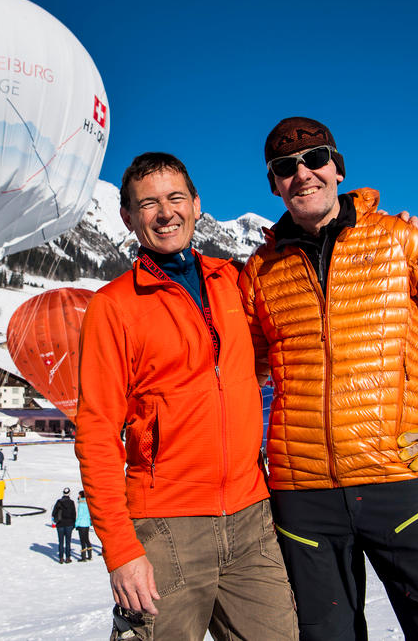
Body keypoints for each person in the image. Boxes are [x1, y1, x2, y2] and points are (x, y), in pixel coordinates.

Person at [238, 117, 418, 640]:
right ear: (274, 184)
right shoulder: (260, 269)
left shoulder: (400, 240)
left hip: (401, 478)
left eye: (315, 158)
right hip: (303, 497)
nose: (302, 174)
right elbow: (245, 374)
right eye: (284, 167)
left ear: (337, 168)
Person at [76, 153, 297, 640]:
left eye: (176, 198)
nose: (165, 213)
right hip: (165, 528)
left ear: (197, 205)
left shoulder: (236, 280)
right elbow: (95, 434)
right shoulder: (112, 306)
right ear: (128, 218)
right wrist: (121, 550)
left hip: (252, 518)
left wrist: (369, 230)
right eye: (148, 204)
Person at [51, 487, 76, 564]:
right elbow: (74, 514)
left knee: (61, 542)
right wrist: (73, 523)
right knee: (68, 542)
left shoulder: (58, 502)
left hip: (60, 524)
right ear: (69, 493)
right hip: (69, 524)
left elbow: (53, 513)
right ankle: (68, 557)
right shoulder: (71, 502)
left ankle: (61, 558)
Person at [75, 489, 93, 562]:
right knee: (87, 539)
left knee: (82, 540)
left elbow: (79, 515)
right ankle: (90, 555)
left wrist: (76, 524)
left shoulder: (81, 504)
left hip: (81, 524)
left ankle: (83, 557)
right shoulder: (88, 503)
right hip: (87, 523)